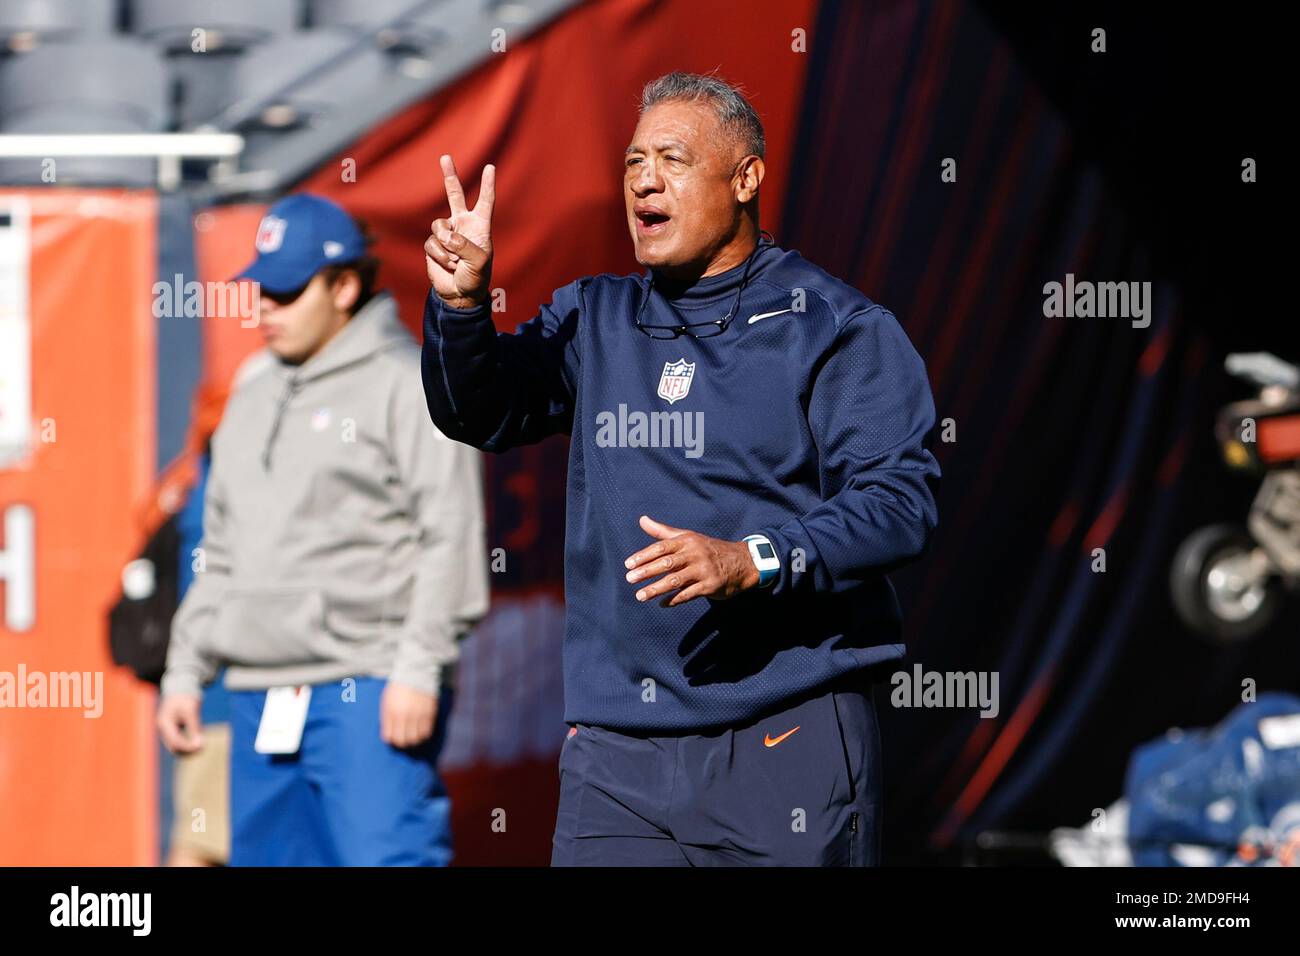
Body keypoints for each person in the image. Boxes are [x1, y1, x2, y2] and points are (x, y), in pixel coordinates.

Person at [421, 71, 940, 866]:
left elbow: (898, 504)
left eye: (671, 158)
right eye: (632, 163)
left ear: (746, 179)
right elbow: (479, 411)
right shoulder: (592, 316)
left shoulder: (835, 326)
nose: (643, 181)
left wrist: (753, 559)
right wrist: (461, 309)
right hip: (616, 753)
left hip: (784, 733)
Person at [158, 193, 489, 866]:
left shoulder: (406, 383)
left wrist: (419, 668)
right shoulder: (251, 388)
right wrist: (185, 669)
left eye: (284, 290)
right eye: (259, 289)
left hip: (367, 686)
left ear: (343, 286)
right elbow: (218, 547)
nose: (264, 309)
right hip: (256, 693)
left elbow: (448, 531)